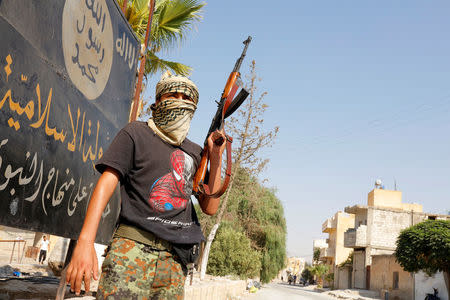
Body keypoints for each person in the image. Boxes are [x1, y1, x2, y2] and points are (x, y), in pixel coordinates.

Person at [66, 72, 226, 299]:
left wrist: (216, 158)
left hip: (174, 261)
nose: (180, 102)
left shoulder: (194, 152)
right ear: (159, 100)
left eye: (186, 99)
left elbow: (210, 207)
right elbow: (107, 183)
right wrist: (85, 241)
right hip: (131, 250)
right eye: (173, 95)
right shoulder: (136, 133)